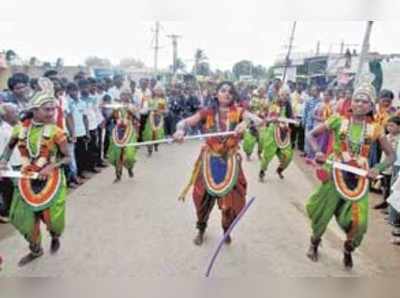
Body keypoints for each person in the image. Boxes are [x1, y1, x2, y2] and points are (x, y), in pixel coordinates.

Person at [305, 75, 395, 269]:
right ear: (351, 102)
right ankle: (314, 242)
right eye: (357, 99)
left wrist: (377, 168)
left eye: (365, 101)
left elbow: (391, 155)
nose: (360, 104)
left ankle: (348, 248)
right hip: (334, 172)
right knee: (323, 212)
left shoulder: (375, 128)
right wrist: (319, 151)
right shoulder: (338, 120)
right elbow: (311, 135)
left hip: (360, 178)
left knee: (359, 221)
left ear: (371, 106)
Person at [173, 81, 263, 246]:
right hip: (209, 159)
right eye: (223, 90)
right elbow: (184, 122)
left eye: (230, 91)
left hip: (230, 161)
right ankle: (201, 228)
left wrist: (246, 123)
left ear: (234, 96)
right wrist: (180, 130)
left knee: (232, 202)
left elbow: (258, 120)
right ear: (216, 94)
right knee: (201, 199)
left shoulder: (239, 112)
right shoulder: (207, 112)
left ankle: (226, 229)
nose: (227, 93)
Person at [0, 78, 71, 266]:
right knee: (22, 218)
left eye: (53, 109)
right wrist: (3, 161)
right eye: (46, 109)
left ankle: (55, 235)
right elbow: (8, 148)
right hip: (25, 176)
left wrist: (50, 166)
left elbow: (67, 157)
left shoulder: (57, 132)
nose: (51, 113)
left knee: (53, 219)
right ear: (34, 111)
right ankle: (36, 249)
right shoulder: (19, 129)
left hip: (51, 177)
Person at [259, 86, 295, 181]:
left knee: (288, 155)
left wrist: (294, 121)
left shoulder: (288, 105)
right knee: (268, 155)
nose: (285, 96)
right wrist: (273, 119)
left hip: (284, 133)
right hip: (272, 132)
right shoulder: (274, 103)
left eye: (287, 95)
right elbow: (269, 118)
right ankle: (262, 171)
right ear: (279, 94)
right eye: (283, 94)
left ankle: (280, 169)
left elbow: (291, 118)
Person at [107, 86, 139, 182]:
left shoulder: (132, 106)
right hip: (118, 131)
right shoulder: (116, 106)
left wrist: (131, 111)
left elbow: (137, 118)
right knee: (117, 154)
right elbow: (111, 117)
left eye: (127, 94)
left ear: (129, 96)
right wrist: (105, 121)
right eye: (123, 94)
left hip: (129, 132)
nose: (124, 96)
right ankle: (118, 175)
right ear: (120, 96)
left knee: (129, 154)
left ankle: (129, 168)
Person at [0, 103, 20, 223]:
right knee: (7, 189)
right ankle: (6, 211)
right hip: (6, 164)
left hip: (15, 161)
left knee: (12, 188)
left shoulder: (7, 127)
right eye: (14, 112)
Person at [243, 87, 268, 160]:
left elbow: (267, 110)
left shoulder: (266, 100)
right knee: (250, 140)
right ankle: (248, 155)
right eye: (261, 91)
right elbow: (249, 109)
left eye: (263, 91)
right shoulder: (253, 99)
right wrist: (249, 120)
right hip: (253, 122)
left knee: (262, 140)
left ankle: (259, 153)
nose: (262, 93)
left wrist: (265, 115)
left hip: (262, 122)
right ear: (259, 91)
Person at [142, 84, 167, 156]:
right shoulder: (150, 98)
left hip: (158, 119)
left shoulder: (162, 100)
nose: (158, 91)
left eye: (160, 90)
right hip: (150, 119)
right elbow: (146, 108)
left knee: (157, 134)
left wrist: (158, 111)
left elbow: (162, 110)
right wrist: (151, 110)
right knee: (149, 134)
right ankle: (149, 149)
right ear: (154, 90)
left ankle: (156, 144)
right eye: (157, 90)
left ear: (162, 91)